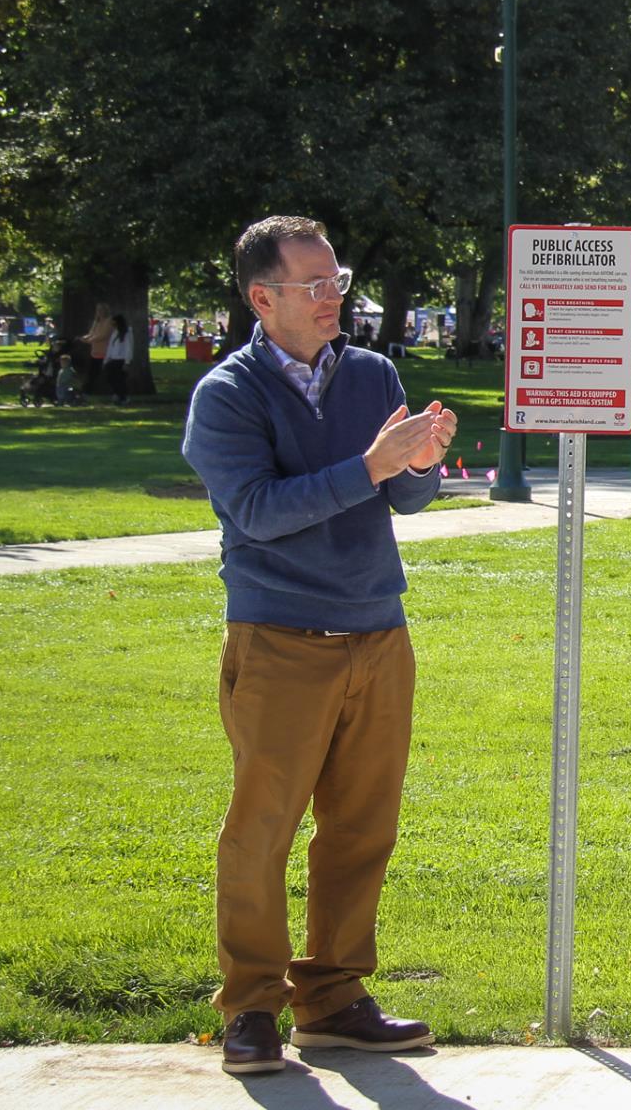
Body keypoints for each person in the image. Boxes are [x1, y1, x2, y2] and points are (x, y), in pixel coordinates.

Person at [182, 215, 458, 1077]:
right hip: (279, 638)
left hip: (379, 631)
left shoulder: (373, 372)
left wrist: (420, 465)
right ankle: (253, 1007)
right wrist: (373, 467)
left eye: (337, 279)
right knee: (261, 828)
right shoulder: (225, 396)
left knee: (362, 826)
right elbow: (258, 513)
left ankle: (334, 997)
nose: (335, 295)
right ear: (264, 299)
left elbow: (404, 501)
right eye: (315, 284)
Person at [102, 313, 132, 403]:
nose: (112, 325)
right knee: (110, 378)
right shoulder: (114, 333)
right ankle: (117, 394)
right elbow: (110, 348)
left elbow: (128, 347)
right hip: (113, 359)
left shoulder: (127, 333)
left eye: (114, 323)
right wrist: (106, 360)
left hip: (121, 360)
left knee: (120, 379)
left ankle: (123, 396)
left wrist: (127, 362)